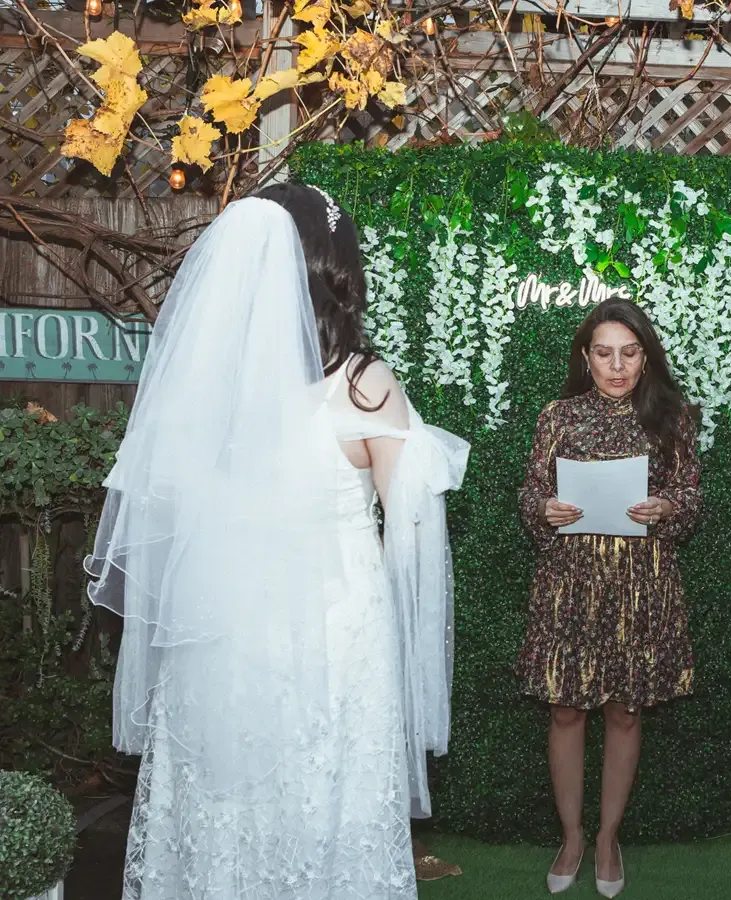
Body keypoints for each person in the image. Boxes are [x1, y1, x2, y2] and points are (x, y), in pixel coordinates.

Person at [84, 183, 469, 900]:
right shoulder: (363, 384)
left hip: (221, 632)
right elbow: (412, 528)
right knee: (323, 795)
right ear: (334, 268)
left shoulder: (205, 387)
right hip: (335, 631)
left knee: (225, 804)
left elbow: (167, 519)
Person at [516, 298, 701, 899]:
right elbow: (530, 494)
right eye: (604, 353)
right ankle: (571, 837)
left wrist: (667, 506)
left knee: (625, 711)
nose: (617, 367)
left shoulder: (672, 417)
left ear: (646, 357)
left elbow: (690, 496)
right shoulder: (557, 417)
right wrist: (544, 509)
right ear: (586, 357)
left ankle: (607, 838)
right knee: (565, 711)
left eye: (629, 353)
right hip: (568, 583)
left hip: (641, 585)